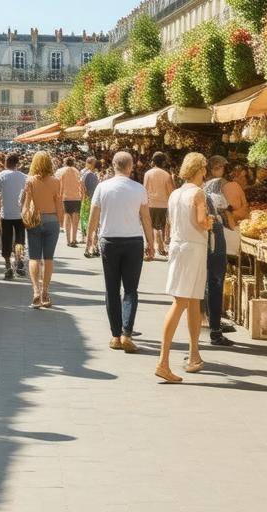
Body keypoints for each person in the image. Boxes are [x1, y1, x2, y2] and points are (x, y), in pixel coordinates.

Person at [85, 152, 153, 354]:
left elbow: (94, 215)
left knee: (112, 289)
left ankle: (115, 336)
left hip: (109, 241)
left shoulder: (102, 187)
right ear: (130, 166)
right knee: (131, 290)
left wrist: (89, 238)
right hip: (133, 241)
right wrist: (151, 242)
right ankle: (126, 333)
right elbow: (146, 218)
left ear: (114, 165)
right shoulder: (138, 188)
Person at [155, 153, 213, 383]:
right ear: (200, 169)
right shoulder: (198, 193)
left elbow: (172, 222)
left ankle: (194, 354)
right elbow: (201, 221)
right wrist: (210, 221)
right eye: (204, 168)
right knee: (181, 302)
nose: (206, 172)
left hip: (179, 246)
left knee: (193, 300)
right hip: (193, 248)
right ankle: (163, 362)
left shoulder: (175, 194)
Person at [24, 151, 65, 308]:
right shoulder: (56, 181)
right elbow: (58, 204)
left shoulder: (30, 181)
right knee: (49, 259)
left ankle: (35, 291)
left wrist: (25, 217)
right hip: (52, 220)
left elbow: (26, 204)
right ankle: (45, 293)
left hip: (35, 220)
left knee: (34, 257)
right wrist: (60, 222)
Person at [202, 155, 235, 347]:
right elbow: (228, 217)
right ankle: (215, 330)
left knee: (204, 284)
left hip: (200, 243)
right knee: (215, 283)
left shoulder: (192, 191)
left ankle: (205, 322)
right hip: (215, 241)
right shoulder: (215, 194)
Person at [0, 153, 29, 280]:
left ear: (6, 163)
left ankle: (8, 266)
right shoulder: (25, 177)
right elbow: (27, 195)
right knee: (20, 240)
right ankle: (19, 263)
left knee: (6, 239)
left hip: (6, 214)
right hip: (20, 213)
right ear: (17, 164)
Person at [143, 152, 175, 260]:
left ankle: (150, 250)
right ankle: (163, 247)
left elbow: (144, 190)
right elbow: (171, 192)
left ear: (153, 161)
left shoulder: (147, 173)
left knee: (150, 227)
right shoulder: (166, 175)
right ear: (164, 162)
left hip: (150, 204)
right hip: (164, 205)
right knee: (163, 227)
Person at [55, 157, 84, 248]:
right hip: (77, 197)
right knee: (75, 220)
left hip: (65, 197)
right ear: (73, 163)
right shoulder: (77, 171)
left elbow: (57, 184)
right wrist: (82, 196)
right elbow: (81, 184)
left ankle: (68, 240)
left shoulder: (60, 171)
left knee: (67, 218)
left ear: (64, 163)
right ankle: (74, 239)